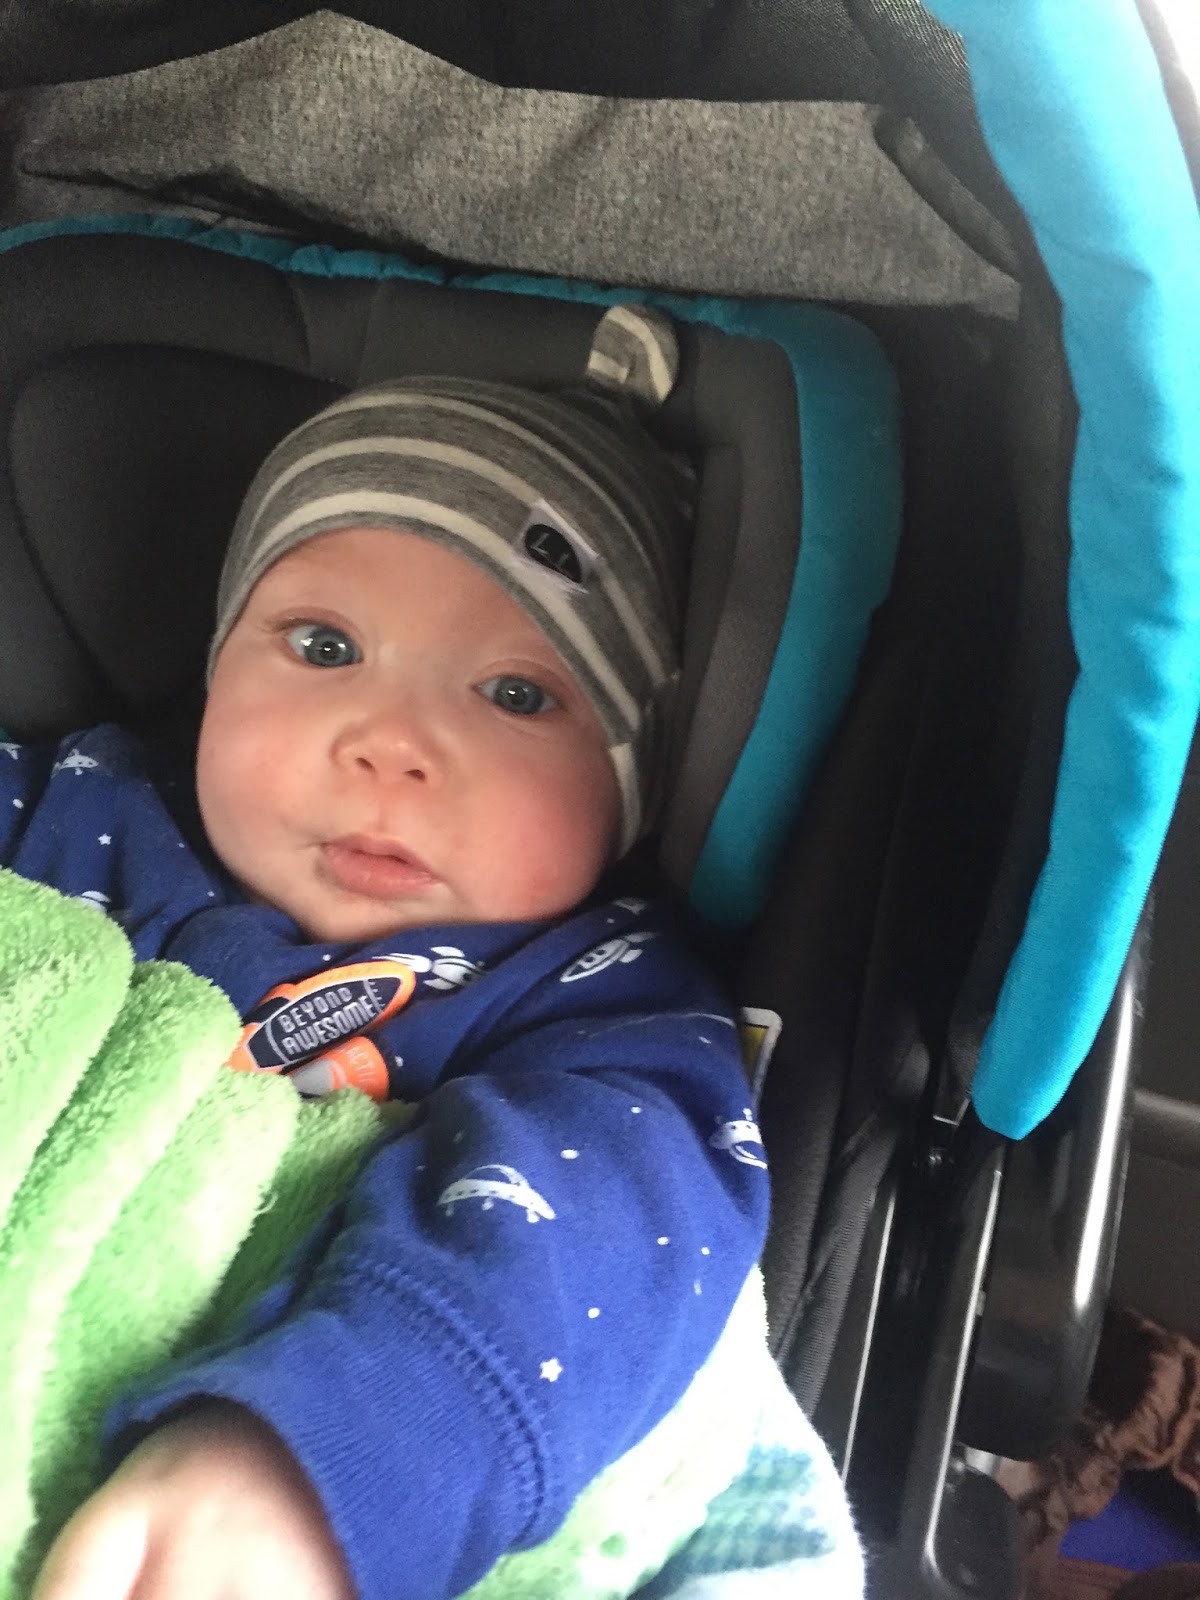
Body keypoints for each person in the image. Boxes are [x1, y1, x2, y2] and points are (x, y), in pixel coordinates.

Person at [0, 304, 770, 1600]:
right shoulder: (77, 803)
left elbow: (603, 1237)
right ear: (215, 666)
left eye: (517, 693)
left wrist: (315, 1464)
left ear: (631, 784)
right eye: (324, 646)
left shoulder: (596, 999)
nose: (389, 742)